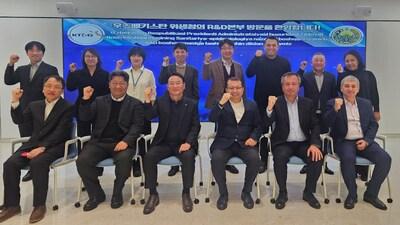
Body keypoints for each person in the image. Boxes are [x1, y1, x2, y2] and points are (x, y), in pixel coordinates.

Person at [0, 75, 73, 223]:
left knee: (38, 163)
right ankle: (12, 205)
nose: (52, 90)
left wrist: (43, 148)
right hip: (33, 143)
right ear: (43, 88)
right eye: (48, 86)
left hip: (56, 145)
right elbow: (19, 120)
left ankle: (39, 205)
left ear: (62, 90)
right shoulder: (35, 105)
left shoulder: (67, 107)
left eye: (56, 87)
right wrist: (15, 102)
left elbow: (62, 132)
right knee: (10, 164)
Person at [76, 71, 144, 211]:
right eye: (114, 83)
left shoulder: (135, 103)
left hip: (122, 142)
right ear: (109, 85)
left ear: (127, 85)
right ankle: (96, 194)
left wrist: (126, 141)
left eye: (121, 83)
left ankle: (117, 192)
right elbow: (84, 117)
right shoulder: (99, 101)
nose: (118, 86)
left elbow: (137, 126)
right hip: (99, 142)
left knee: (125, 161)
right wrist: (85, 100)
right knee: (82, 161)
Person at [324, 75, 391, 210]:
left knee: (385, 159)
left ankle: (371, 194)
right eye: (347, 86)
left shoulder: (366, 103)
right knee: (348, 158)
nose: (350, 89)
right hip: (344, 141)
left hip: (364, 140)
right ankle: (352, 194)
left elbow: (373, 125)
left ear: (358, 89)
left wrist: (367, 141)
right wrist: (335, 110)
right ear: (341, 88)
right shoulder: (333, 103)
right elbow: (325, 124)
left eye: (353, 86)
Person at [142, 73, 200, 215]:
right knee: (149, 156)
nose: (175, 86)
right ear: (168, 87)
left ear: (184, 86)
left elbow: (195, 126)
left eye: (178, 83)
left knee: (188, 157)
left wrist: (188, 142)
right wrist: (148, 100)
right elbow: (149, 116)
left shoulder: (191, 103)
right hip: (164, 143)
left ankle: (186, 192)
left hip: (183, 143)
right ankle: (153, 193)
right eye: (171, 83)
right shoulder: (161, 101)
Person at [266, 72, 323, 210]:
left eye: (293, 84)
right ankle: (282, 193)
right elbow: (265, 124)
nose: (290, 87)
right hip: (283, 143)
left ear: (299, 86)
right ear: (282, 86)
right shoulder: (276, 102)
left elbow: (315, 125)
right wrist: (269, 109)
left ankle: (308, 193)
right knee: (279, 158)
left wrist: (315, 144)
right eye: (287, 84)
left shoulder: (307, 103)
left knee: (317, 158)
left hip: (304, 143)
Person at [4, 41, 59, 182]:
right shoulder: (22, 69)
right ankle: (28, 167)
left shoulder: (50, 69)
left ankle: (38, 167)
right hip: (24, 110)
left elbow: (55, 89)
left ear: (43, 53)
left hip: (42, 110)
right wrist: (11, 64)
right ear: (27, 53)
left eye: (38, 50)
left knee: (41, 139)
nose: (35, 53)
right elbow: (9, 80)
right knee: (27, 140)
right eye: (31, 50)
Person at [209, 77, 261, 210]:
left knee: (255, 159)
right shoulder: (221, 104)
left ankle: (246, 191)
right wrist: (221, 103)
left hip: (245, 143)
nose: (235, 90)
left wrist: (254, 137)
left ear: (243, 89)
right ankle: (223, 193)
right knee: (217, 159)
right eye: (231, 88)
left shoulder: (252, 105)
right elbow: (212, 118)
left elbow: (258, 125)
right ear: (226, 89)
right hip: (224, 142)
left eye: (238, 88)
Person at [246, 36, 291, 173]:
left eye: (274, 45)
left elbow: (288, 81)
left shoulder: (284, 62)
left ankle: (279, 160)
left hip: (280, 103)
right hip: (260, 103)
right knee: (262, 133)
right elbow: (249, 74)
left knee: (279, 132)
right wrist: (255, 58)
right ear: (264, 46)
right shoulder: (259, 60)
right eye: (268, 45)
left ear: (278, 47)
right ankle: (262, 161)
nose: (271, 47)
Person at [337, 50, 381, 181]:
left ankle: (363, 174)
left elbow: (374, 93)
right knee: (350, 144)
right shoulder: (343, 76)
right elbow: (337, 91)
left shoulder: (368, 74)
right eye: (347, 61)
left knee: (365, 139)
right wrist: (339, 75)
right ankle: (352, 173)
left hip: (366, 113)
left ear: (358, 60)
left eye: (352, 60)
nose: (350, 63)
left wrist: (377, 110)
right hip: (349, 113)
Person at [203, 38, 245, 174]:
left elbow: (242, 83)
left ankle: (230, 156)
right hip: (218, 101)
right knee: (220, 130)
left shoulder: (238, 66)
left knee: (233, 127)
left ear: (233, 50)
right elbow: (205, 77)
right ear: (220, 50)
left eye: (230, 48)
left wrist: (243, 100)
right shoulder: (213, 64)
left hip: (235, 101)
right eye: (224, 48)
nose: (227, 50)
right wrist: (206, 63)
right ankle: (221, 158)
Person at [159, 42, 199, 177]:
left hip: (188, 107)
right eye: (177, 52)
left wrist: (194, 104)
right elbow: (162, 80)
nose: (180, 54)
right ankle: (174, 166)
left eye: (183, 51)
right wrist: (164, 66)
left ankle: (185, 159)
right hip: (171, 105)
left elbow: (195, 89)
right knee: (172, 132)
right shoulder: (169, 68)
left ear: (187, 54)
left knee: (187, 131)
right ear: (174, 54)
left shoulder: (193, 70)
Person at [115, 47, 156, 177]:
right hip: (126, 108)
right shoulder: (124, 72)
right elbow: (116, 87)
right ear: (130, 58)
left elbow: (153, 92)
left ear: (143, 58)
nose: (136, 58)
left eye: (139, 56)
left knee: (143, 139)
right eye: (133, 56)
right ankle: (133, 165)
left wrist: (150, 106)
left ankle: (145, 164)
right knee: (128, 137)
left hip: (143, 108)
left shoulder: (149, 73)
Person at [297, 52, 337, 175]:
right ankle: (307, 164)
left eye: (321, 60)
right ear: (312, 62)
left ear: (325, 63)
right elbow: (296, 83)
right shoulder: (306, 76)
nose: (319, 62)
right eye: (316, 60)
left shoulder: (331, 76)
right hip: (310, 111)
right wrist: (301, 70)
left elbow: (334, 94)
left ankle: (324, 164)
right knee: (309, 137)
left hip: (326, 112)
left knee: (324, 139)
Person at [66, 48, 110, 138]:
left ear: (98, 59)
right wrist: (71, 73)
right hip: (82, 106)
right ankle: (82, 152)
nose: (90, 58)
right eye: (88, 56)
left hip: (100, 107)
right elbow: (70, 87)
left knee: (99, 134)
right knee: (82, 134)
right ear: (84, 59)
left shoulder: (105, 74)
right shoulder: (78, 73)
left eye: (93, 56)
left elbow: (108, 92)